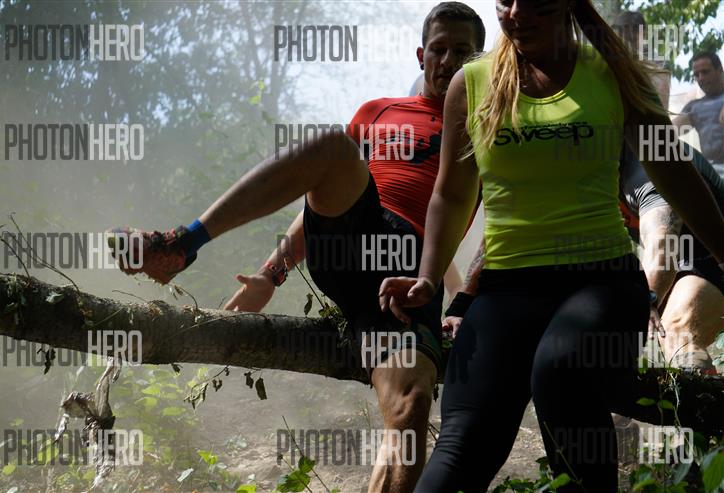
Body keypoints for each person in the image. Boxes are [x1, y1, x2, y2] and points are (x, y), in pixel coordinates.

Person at [108, 3, 485, 492]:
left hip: (412, 273)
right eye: (439, 49)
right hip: (355, 236)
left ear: (479, 62)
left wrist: (464, 303)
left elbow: (505, 225)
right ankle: (181, 244)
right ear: (421, 55)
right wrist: (271, 274)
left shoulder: (489, 128)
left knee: (410, 409)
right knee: (332, 148)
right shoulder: (379, 111)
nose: (448, 61)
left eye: (462, 52)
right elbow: (324, 195)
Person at [379, 1, 724, 492]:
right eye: (507, 1)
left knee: (559, 370)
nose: (518, 13)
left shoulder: (611, 71)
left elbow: (672, 176)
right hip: (507, 289)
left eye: (537, 1)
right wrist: (429, 278)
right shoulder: (471, 83)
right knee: (463, 439)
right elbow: (451, 195)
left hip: (601, 282)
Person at [619, 142, 724, 373]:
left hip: (712, 256)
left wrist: (646, 302)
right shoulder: (592, 178)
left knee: (678, 333)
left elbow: (663, 244)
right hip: (683, 260)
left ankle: (701, 397)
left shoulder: (646, 164)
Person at [673, 52, 724, 177]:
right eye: (697, 74)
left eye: (705, 72)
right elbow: (668, 132)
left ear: (720, 70)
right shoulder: (694, 107)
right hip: (713, 173)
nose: (700, 78)